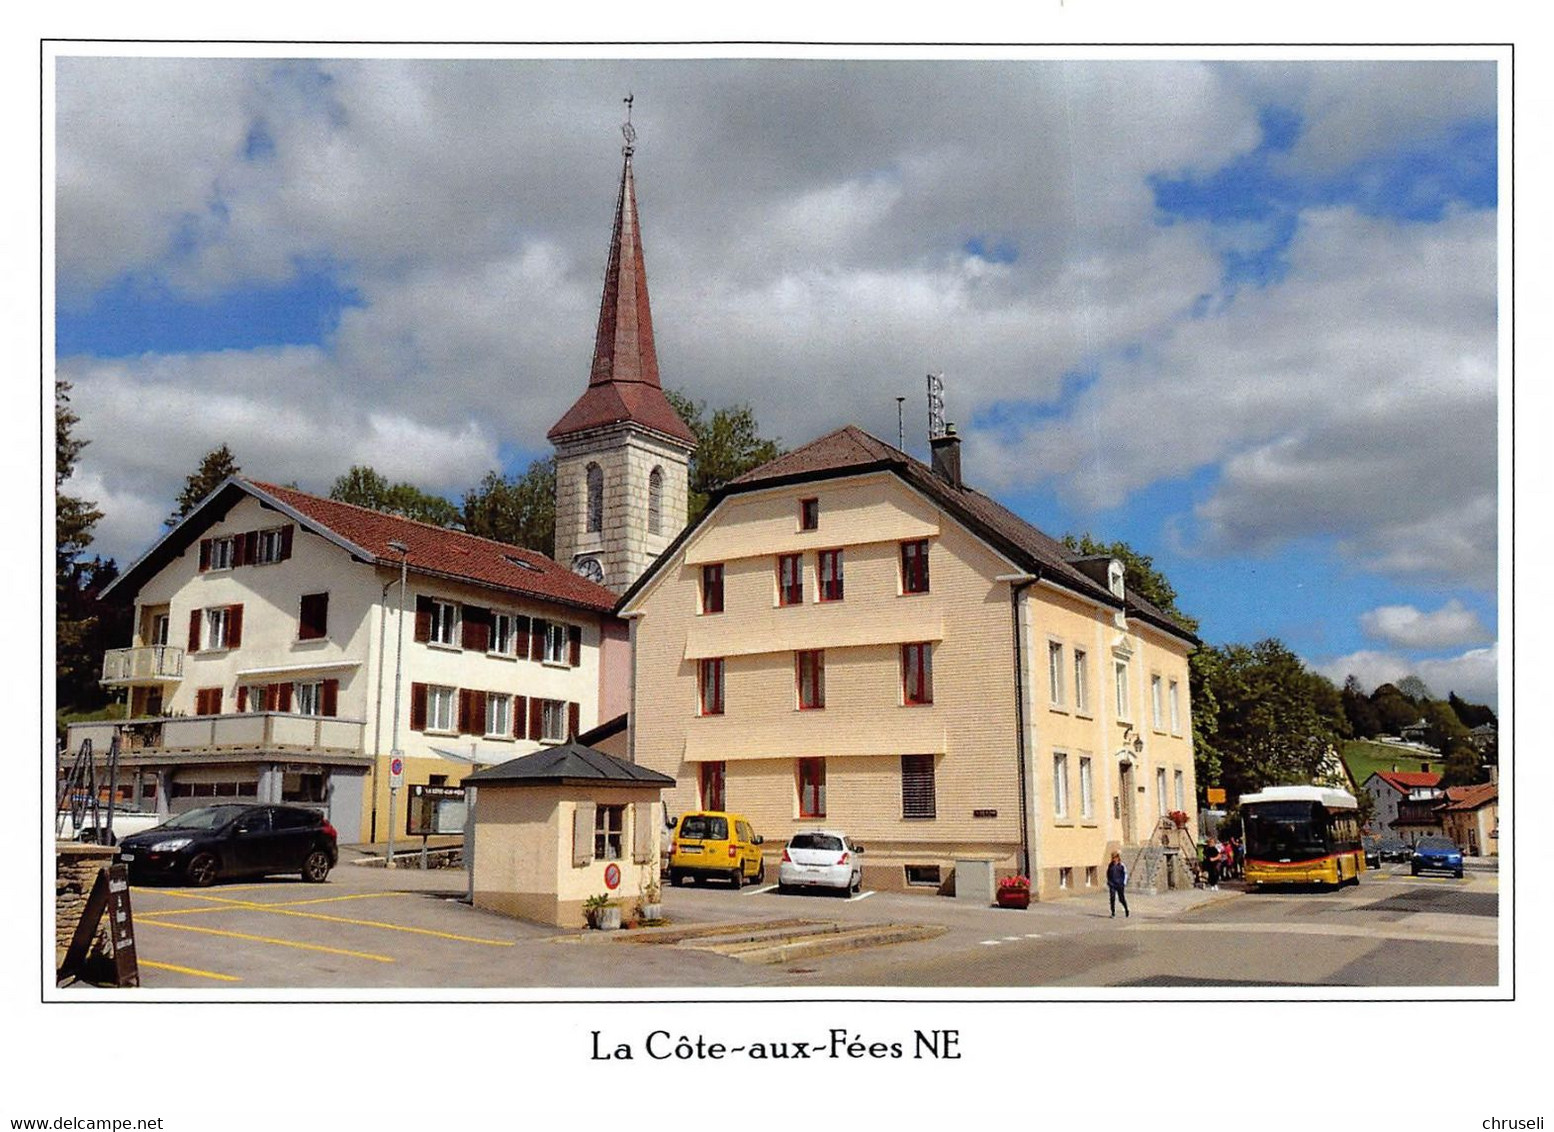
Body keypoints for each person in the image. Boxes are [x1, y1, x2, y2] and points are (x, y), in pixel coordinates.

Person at [1106, 851, 1130, 918]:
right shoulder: (1110, 865)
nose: (1114, 859)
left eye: (1115, 858)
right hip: (1112, 884)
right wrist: (1109, 882)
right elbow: (1108, 873)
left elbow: (1125, 874)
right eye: (1113, 858)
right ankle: (1113, 913)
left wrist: (1124, 883)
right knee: (1112, 898)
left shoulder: (1121, 865)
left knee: (1121, 899)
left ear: (1118, 858)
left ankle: (1126, 909)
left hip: (1120, 884)